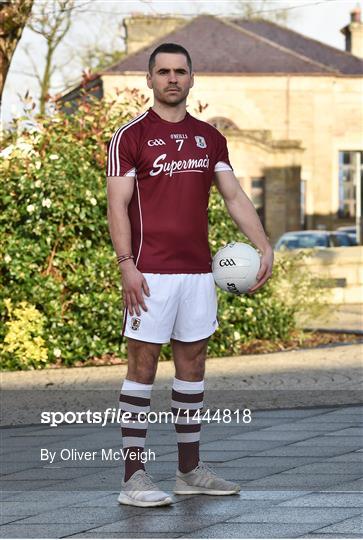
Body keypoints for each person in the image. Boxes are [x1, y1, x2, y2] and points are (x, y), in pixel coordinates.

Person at [106, 42, 274, 507]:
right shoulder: (131, 137)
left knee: (193, 367)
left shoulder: (209, 138)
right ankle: (133, 477)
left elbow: (234, 196)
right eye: (164, 72)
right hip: (150, 273)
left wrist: (263, 245)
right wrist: (126, 266)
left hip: (199, 273)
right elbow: (116, 205)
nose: (173, 79)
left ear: (192, 78)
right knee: (142, 366)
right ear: (150, 79)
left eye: (181, 71)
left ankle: (188, 470)